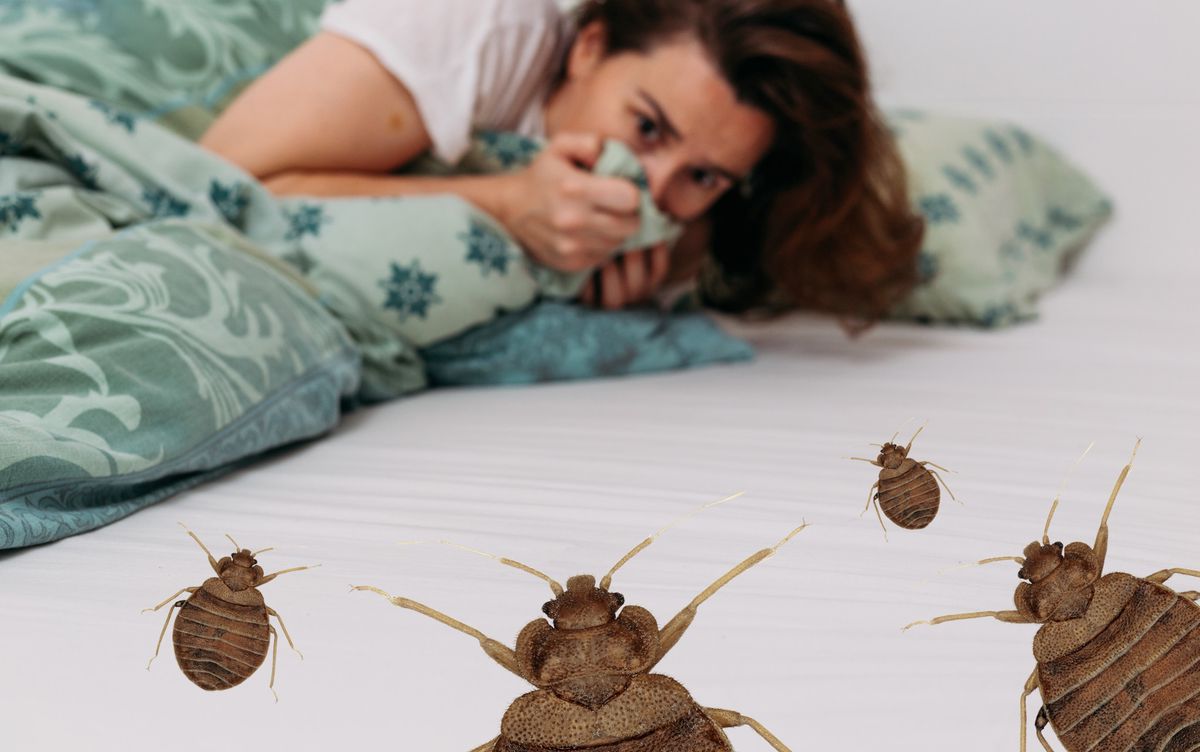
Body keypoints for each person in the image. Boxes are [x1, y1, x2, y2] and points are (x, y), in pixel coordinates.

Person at [201, 0, 922, 329]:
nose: (653, 187)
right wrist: (507, 206)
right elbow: (214, 186)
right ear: (589, 47)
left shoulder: (689, 225)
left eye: (703, 177)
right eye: (645, 127)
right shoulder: (471, 26)